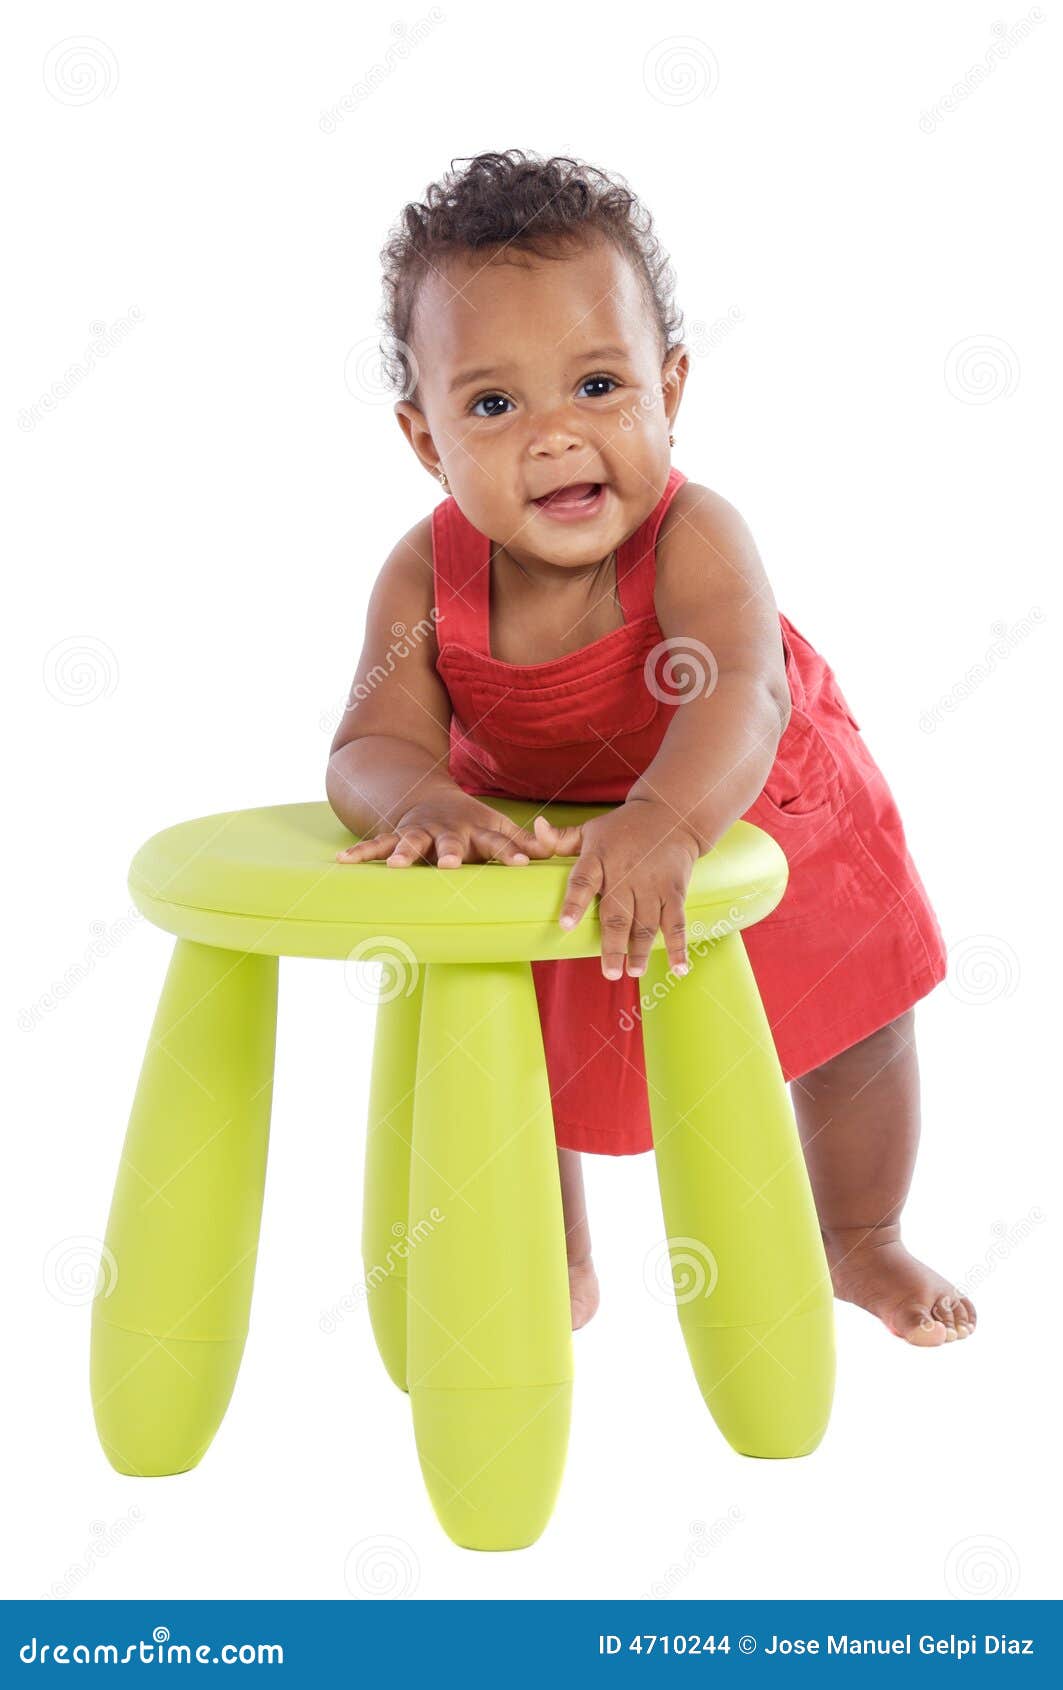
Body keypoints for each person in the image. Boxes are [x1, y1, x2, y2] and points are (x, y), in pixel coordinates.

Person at [327, 150, 975, 1349]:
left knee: (857, 1022)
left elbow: (738, 683)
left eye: (596, 384)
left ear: (668, 386)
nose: (555, 437)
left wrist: (670, 820)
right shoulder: (425, 575)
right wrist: (421, 799)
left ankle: (861, 1234)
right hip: (551, 843)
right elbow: (368, 738)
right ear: (425, 441)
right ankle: (552, 1257)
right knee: (514, 1039)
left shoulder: (693, 533)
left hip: (753, 806)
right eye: (492, 405)